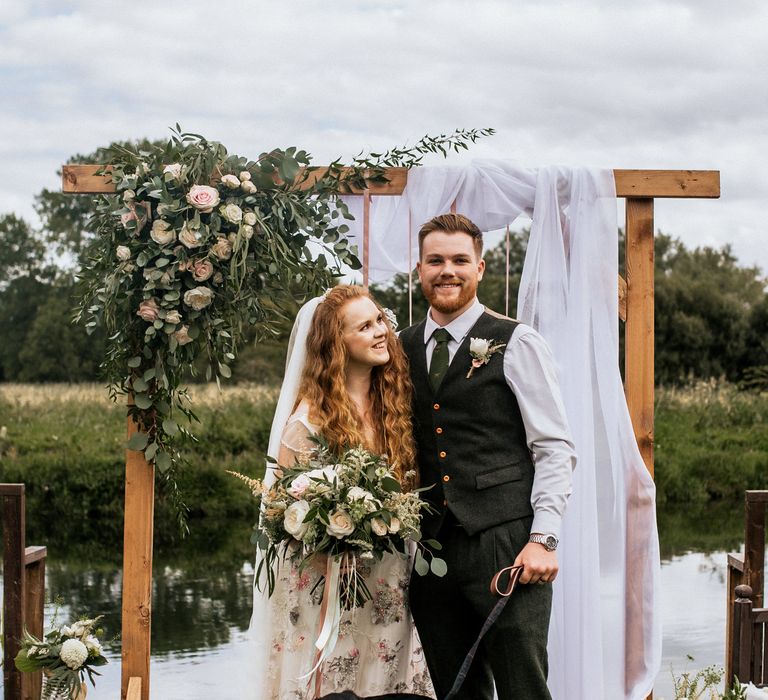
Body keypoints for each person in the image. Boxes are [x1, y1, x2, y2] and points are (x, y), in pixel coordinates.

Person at [400, 214, 577, 700]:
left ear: (480, 267)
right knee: (456, 692)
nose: (447, 270)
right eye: (435, 260)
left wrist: (543, 538)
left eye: (459, 260)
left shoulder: (517, 341)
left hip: (508, 546)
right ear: (419, 270)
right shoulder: (402, 346)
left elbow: (554, 447)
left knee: (524, 687)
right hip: (431, 553)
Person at [250, 285, 435, 700]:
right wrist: (337, 531)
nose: (380, 332)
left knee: (391, 684)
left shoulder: (394, 405)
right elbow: (283, 512)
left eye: (380, 321)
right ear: (337, 343)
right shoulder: (308, 423)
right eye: (364, 326)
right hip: (328, 585)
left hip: (390, 578)